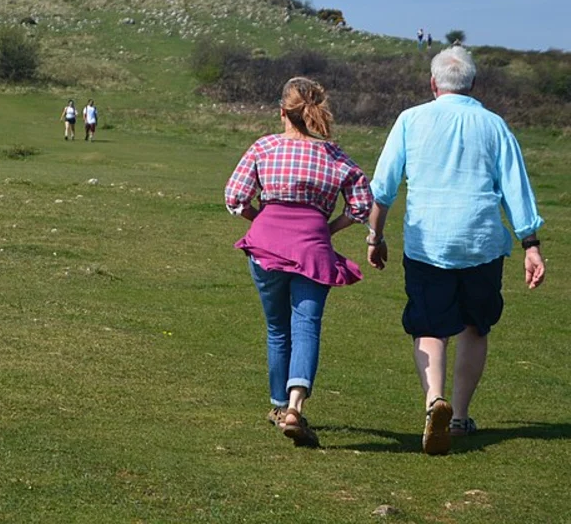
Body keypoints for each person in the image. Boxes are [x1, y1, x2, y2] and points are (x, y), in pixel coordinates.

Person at [366, 46, 546, 456]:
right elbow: (516, 188)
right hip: (481, 240)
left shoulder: (411, 120)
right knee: (475, 326)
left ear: (433, 84)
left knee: (429, 327)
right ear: (473, 84)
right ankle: (460, 415)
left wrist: (375, 237)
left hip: (428, 240)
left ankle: (434, 401)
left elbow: (384, 186)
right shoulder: (494, 125)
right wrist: (530, 245)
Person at [225, 77, 373, 448]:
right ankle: (295, 405)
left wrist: (259, 218)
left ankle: (277, 406)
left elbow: (235, 198)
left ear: (282, 112)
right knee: (306, 325)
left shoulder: (265, 147)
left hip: (266, 244)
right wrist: (328, 227)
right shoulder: (335, 156)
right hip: (312, 248)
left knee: (278, 328)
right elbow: (361, 206)